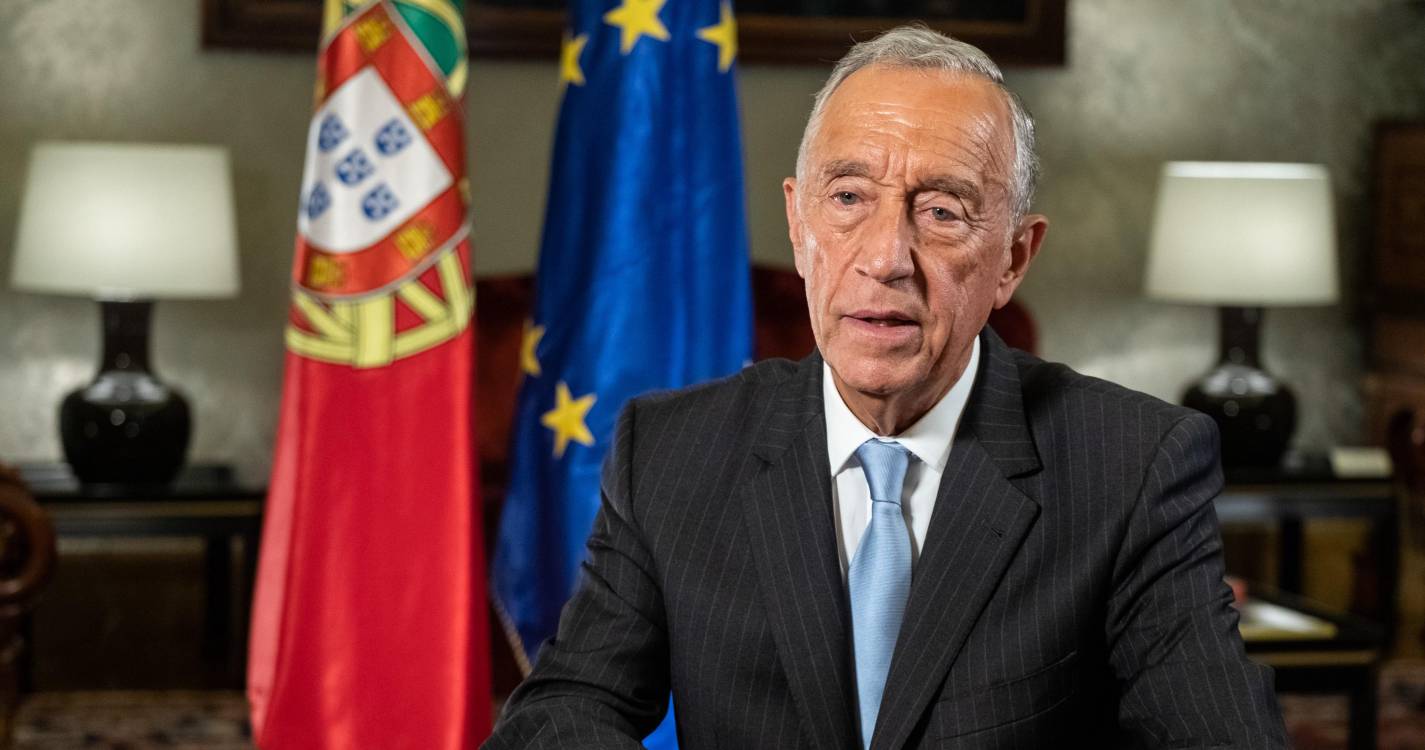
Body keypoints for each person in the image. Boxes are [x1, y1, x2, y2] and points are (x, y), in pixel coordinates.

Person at [487, 25, 1287, 749]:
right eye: (847, 199)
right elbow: (566, 710)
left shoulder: (1133, 465)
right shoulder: (670, 451)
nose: (884, 258)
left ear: (1012, 259)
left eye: (941, 212)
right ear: (798, 225)